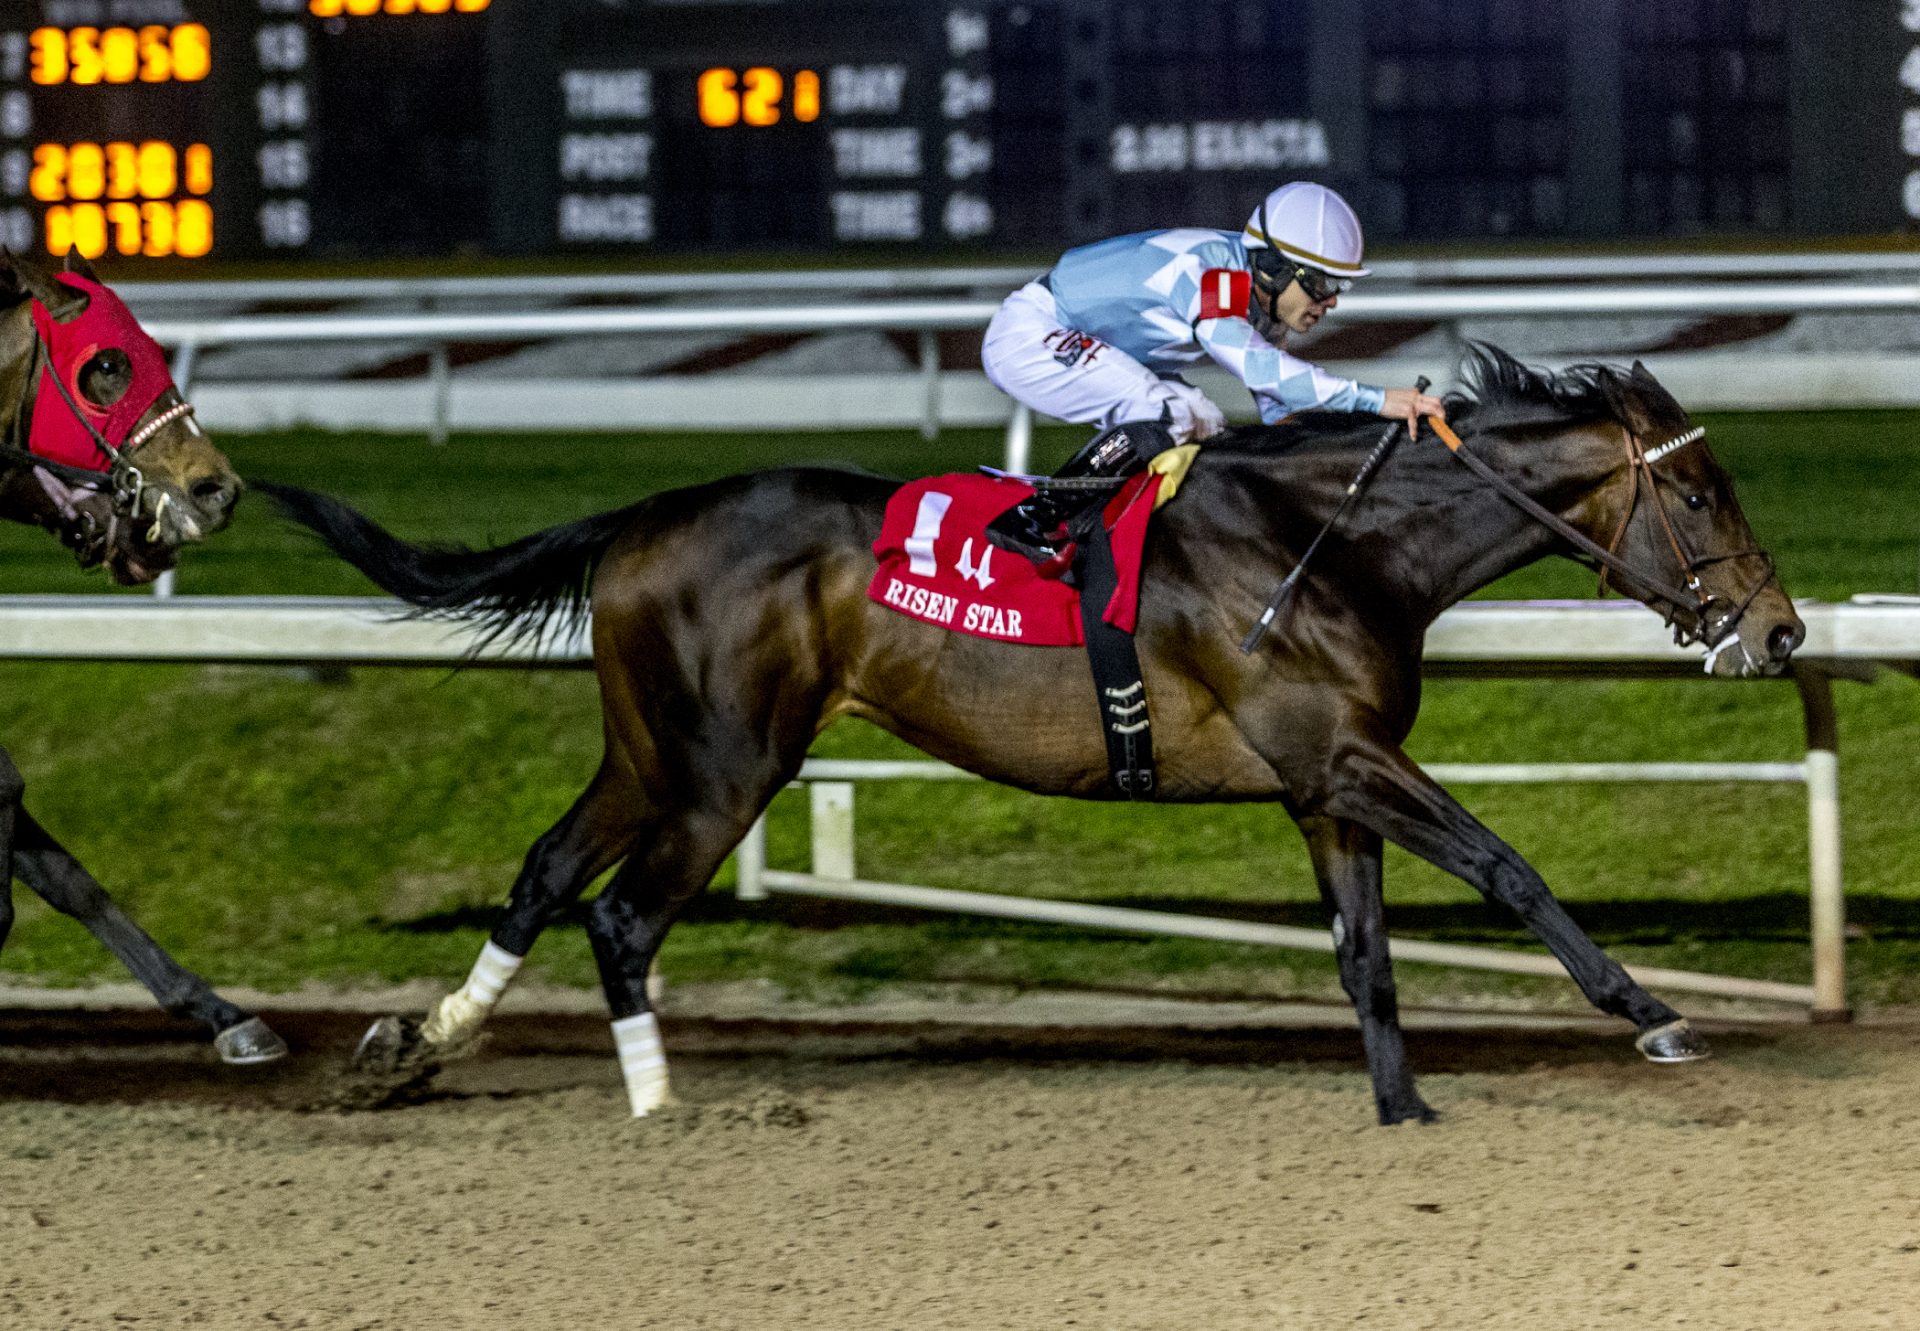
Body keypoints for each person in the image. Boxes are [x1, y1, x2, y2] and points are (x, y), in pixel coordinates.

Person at [981, 180, 1445, 566]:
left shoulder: (1261, 299)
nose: (1332, 301)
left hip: (1087, 338)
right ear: (1273, 269)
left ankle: (1117, 536)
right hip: (1030, 332)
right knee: (1166, 413)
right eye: (1322, 284)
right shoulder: (1214, 277)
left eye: (1339, 285)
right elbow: (1263, 371)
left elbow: (1279, 412)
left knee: (1207, 425)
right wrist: (1378, 400)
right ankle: (1033, 518)